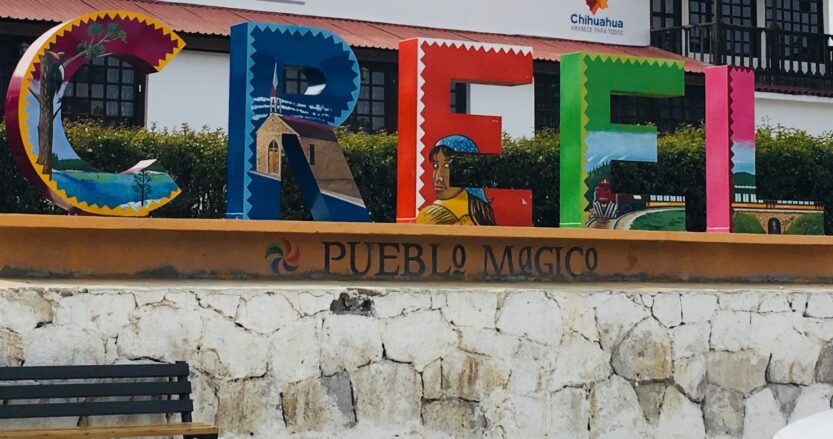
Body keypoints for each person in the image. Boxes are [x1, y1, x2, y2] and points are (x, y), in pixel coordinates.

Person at [416, 136, 496, 226]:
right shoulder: (481, 211)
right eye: (435, 166)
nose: (438, 177)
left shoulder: (431, 216)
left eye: (447, 166)